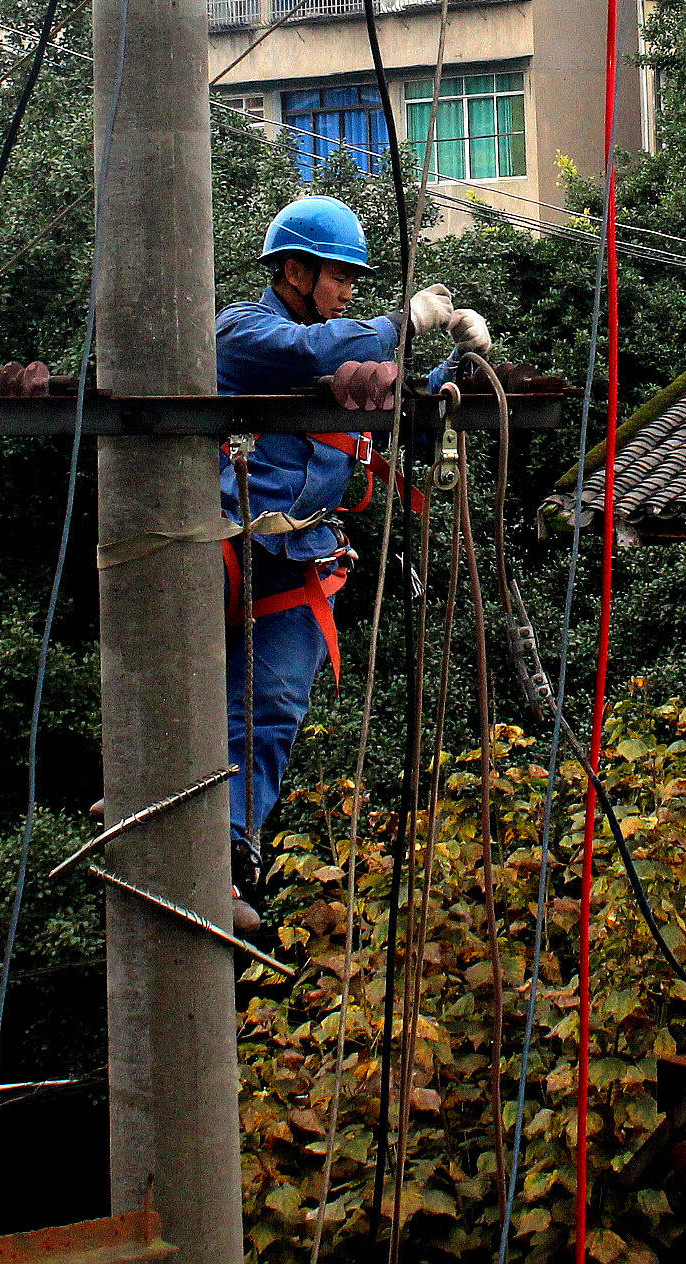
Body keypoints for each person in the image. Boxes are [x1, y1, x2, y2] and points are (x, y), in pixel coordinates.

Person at [215, 196, 489, 925]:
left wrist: (459, 364)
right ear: (295, 272)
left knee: (271, 712)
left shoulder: (353, 354)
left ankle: (227, 857)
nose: (347, 293)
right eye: (338, 278)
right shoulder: (240, 333)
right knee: (177, 674)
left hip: (296, 563)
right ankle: (150, 792)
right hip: (221, 545)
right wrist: (402, 322)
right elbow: (311, 354)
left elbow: (407, 410)